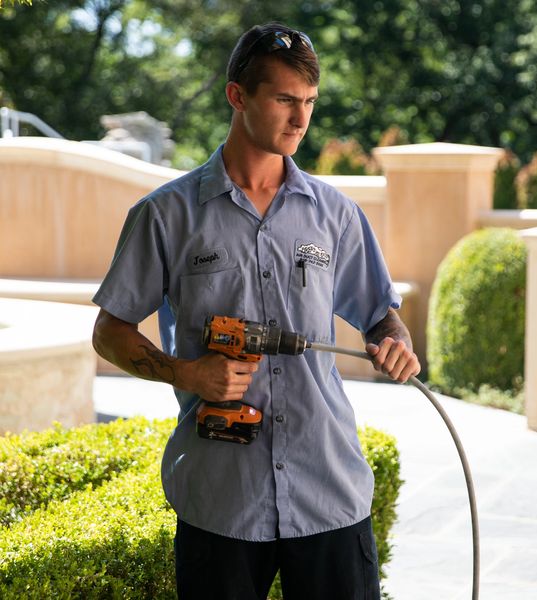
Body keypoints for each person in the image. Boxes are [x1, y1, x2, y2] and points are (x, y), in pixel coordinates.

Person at [92, 22, 420, 600]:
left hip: (329, 491)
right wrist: (186, 373)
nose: (301, 120)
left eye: (310, 103)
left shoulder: (336, 215)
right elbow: (110, 330)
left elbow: (380, 314)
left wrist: (395, 339)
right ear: (237, 96)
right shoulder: (167, 216)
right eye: (285, 100)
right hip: (222, 500)